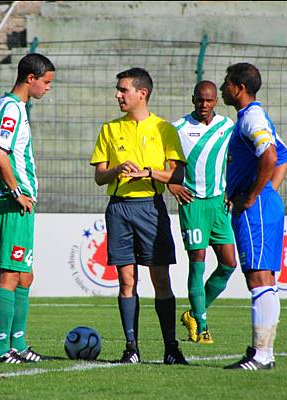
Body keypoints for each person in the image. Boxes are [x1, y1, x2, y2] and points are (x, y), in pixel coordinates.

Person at [90, 67, 189, 365]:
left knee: (160, 278)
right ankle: (131, 348)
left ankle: (171, 347)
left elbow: (177, 173)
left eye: (123, 90)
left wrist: (147, 172)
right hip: (118, 208)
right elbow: (98, 176)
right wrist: (117, 170)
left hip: (150, 207)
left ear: (141, 93)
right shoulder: (109, 128)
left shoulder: (164, 129)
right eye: (118, 90)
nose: (118, 95)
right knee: (126, 280)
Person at [0, 53, 55, 363]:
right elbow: (0, 154)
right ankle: (0, 349)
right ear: (31, 78)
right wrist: (15, 191)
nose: (48, 88)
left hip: (18, 203)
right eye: (47, 82)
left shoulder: (11, 107)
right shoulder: (11, 108)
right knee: (11, 274)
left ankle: (19, 344)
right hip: (13, 202)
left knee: (25, 275)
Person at [220, 63, 287, 370]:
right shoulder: (251, 117)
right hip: (263, 205)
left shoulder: (251, 117)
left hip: (256, 208)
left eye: (226, 83)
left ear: (239, 87)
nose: (224, 88)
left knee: (259, 279)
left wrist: (253, 195)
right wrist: (268, 192)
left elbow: (272, 156)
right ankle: (264, 352)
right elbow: (284, 154)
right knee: (265, 279)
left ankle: (261, 355)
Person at [170, 81, 237, 344]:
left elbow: (235, 158)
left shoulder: (227, 126)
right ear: (193, 99)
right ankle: (203, 325)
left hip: (219, 203)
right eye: (199, 100)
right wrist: (172, 183)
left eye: (209, 101)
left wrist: (233, 189)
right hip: (193, 203)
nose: (204, 105)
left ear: (216, 102)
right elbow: (164, 161)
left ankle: (193, 313)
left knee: (229, 263)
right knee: (197, 261)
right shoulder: (179, 128)